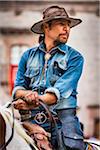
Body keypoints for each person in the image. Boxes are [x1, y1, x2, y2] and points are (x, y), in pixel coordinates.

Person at [12, 5, 87, 150]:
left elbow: (55, 95)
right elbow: (17, 89)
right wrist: (26, 94)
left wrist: (31, 102)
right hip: (30, 120)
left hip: (63, 120)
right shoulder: (27, 56)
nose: (67, 29)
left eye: (68, 25)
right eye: (61, 24)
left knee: (72, 147)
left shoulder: (75, 58)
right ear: (47, 27)